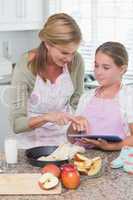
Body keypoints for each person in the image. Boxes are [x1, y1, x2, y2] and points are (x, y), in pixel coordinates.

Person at [10, 13, 85, 148]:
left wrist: (78, 120)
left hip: (64, 144)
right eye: (64, 53)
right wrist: (46, 117)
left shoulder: (77, 61)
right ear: (47, 44)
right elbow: (17, 124)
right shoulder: (26, 66)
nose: (69, 59)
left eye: (73, 52)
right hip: (29, 146)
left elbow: (77, 101)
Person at [67, 41, 133, 151]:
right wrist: (76, 123)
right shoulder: (87, 97)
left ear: (122, 69)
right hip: (83, 158)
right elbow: (70, 137)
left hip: (114, 160)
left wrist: (111, 146)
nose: (98, 72)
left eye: (106, 68)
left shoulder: (129, 97)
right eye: (96, 66)